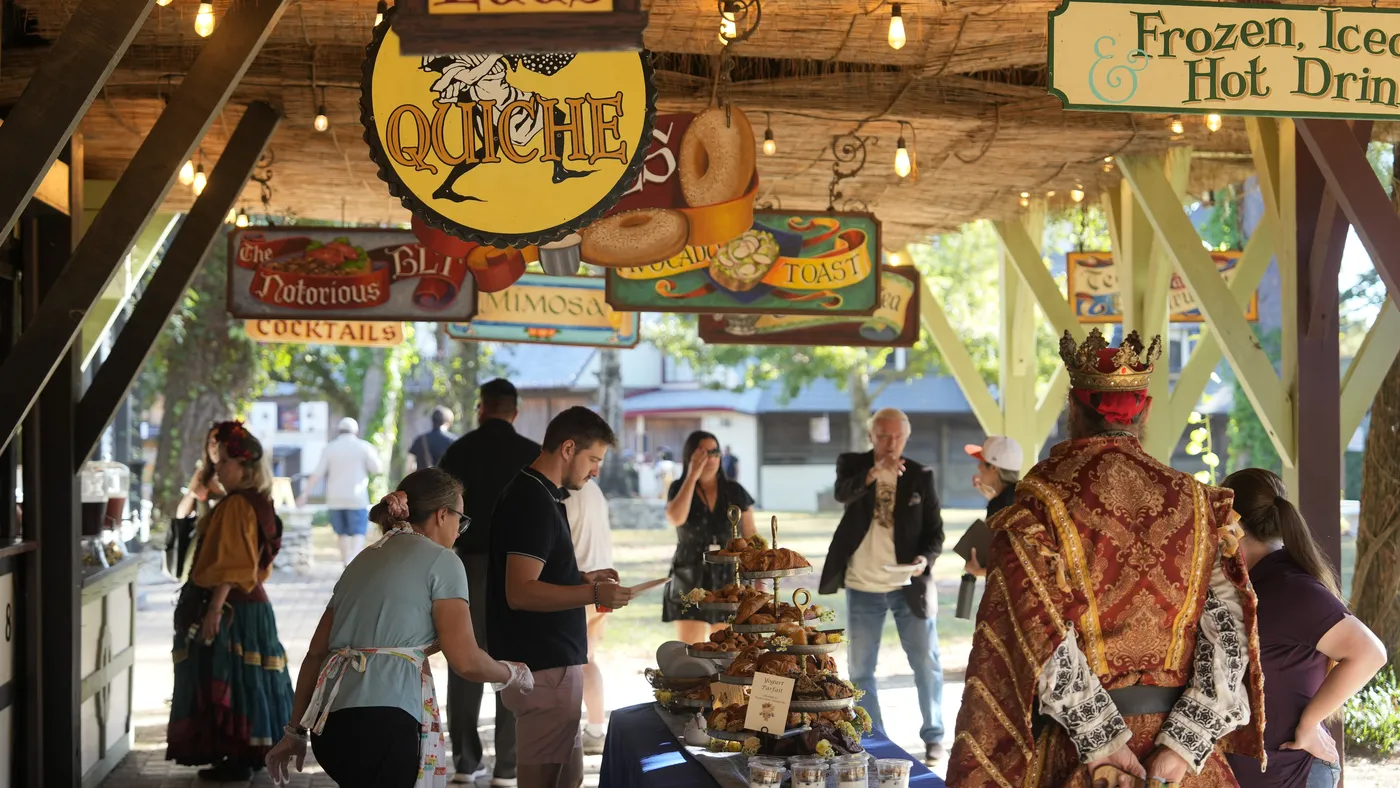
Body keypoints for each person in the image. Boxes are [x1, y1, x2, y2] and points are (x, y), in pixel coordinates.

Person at [948, 328, 1267, 788]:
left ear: (1073, 409)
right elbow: (1228, 633)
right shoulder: (1198, 503)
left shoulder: (1040, 500)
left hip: (1081, 756)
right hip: (1182, 766)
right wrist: (1181, 747)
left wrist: (1105, 743)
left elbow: (1039, 632)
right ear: (1146, 411)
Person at [264, 469, 534, 788]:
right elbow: (465, 660)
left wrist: (295, 732)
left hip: (330, 726)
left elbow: (315, 654)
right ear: (442, 514)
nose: (460, 531)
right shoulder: (444, 562)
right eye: (460, 520)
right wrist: (514, 674)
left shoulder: (363, 559)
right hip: (387, 720)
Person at [489, 406, 634, 788]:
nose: (596, 471)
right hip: (543, 666)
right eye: (593, 459)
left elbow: (540, 572)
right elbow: (520, 591)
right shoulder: (531, 499)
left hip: (553, 664)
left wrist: (581, 577)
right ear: (568, 448)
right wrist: (594, 591)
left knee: (567, 779)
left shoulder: (544, 495)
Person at [1221, 469, 1387, 788]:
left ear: (1232, 521)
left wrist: (1309, 725)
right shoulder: (1251, 583)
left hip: (1292, 775)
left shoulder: (1290, 588)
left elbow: (1369, 653)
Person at [166, 422, 294, 782]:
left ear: (245, 466)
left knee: (235, 677)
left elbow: (234, 564)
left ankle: (239, 759)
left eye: (224, 462)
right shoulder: (256, 501)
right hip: (251, 606)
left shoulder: (239, 504)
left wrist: (214, 609)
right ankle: (246, 756)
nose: (218, 468)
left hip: (235, 606)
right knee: (248, 678)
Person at [819, 407, 946, 763]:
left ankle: (934, 736)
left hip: (908, 583)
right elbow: (842, 493)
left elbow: (935, 532)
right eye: (884, 435)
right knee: (860, 670)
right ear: (872, 436)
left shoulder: (921, 474)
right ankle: (876, 739)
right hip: (863, 583)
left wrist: (924, 560)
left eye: (898, 436)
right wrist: (875, 473)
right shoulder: (852, 463)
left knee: (926, 661)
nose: (891, 443)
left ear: (906, 437)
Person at [437, 378, 540, 786]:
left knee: (464, 659)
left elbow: (439, 510)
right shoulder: (532, 454)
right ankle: (508, 766)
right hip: (522, 568)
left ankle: (465, 762)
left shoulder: (459, 450)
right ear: (515, 412)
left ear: (481, 408)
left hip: (469, 566)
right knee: (511, 659)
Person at [662, 430, 757, 643]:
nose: (710, 458)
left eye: (714, 452)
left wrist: (759, 580)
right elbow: (675, 518)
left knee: (726, 647)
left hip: (729, 574)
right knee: (691, 650)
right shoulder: (679, 487)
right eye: (702, 452)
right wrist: (692, 476)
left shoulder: (734, 491)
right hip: (690, 571)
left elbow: (751, 537)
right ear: (690, 456)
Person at [564, 478, 613, 755]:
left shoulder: (563, 492)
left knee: (571, 663)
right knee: (587, 659)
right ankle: (595, 729)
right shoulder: (595, 488)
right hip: (603, 581)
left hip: (579, 585)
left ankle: (571, 734)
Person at [300, 417, 383, 566]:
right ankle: (354, 558)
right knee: (359, 531)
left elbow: (318, 473)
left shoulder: (330, 448)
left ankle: (346, 560)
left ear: (339, 430)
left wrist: (305, 493)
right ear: (355, 431)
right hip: (356, 497)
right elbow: (377, 468)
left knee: (341, 532)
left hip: (335, 498)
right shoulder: (364, 447)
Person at [165, 424, 227, 582]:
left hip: (227, 543)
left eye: (219, 441)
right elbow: (181, 514)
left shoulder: (237, 475)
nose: (214, 446)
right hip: (202, 545)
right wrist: (193, 494)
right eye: (211, 442)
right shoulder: (202, 474)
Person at [961, 435, 1023, 577]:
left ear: (994, 468)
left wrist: (980, 571)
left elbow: (1012, 561)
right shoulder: (1021, 493)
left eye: (982, 462)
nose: (978, 467)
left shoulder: (1000, 504)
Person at [409, 406, 459, 471]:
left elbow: (409, 465)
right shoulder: (454, 441)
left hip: (421, 480)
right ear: (448, 423)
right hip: (444, 480)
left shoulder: (420, 440)